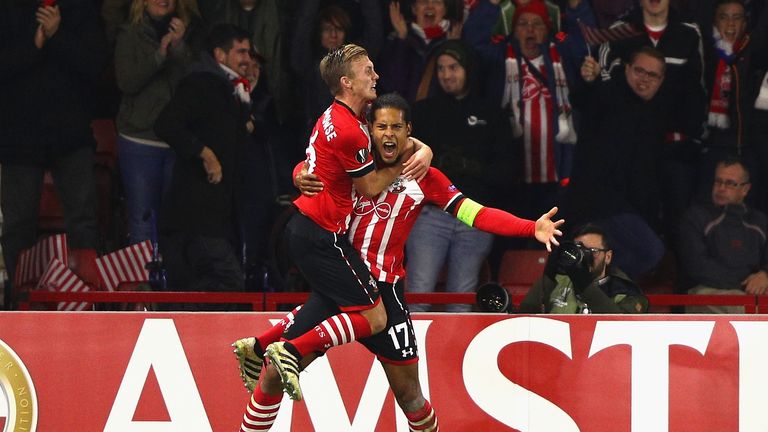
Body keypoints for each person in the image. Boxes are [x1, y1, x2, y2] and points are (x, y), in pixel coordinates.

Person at [233, 92, 563, 431]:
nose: (388, 134)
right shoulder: (356, 163)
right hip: (342, 284)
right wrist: (298, 171)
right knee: (274, 373)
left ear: (408, 131)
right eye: (381, 126)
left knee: (411, 396)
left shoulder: (425, 176)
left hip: (385, 292)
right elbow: (314, 162)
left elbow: (474, 214)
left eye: (396, 127)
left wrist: (530, 227)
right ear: (370, 129)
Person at [254, 44, 433, 402]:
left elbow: (314, 162)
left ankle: (259, 345)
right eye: (368, 71)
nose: (376, 75)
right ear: (347, 82)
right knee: (375, 316)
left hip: (307, 229)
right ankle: (288, 350)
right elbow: (368, 188)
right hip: (324, 237)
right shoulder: (350, 130)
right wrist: (409, 163)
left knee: (321, 308)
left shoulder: (335, 118)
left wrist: (422, 148)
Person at [0, 0, 107, 308]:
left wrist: (58, 34)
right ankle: (18, 302)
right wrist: (33, 46)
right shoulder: (9, 9)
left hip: (70, 133)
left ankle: (84, 299)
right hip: (19, 135)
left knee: (83, 221)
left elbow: (95, 64)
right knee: (18, 225)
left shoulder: (80, 9)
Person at [404, 40, 515, 312]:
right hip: (431, 214)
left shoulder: (492, 114)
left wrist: (470, 166)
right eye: (441, 68)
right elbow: (403, 167)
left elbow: (507, 172)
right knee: (417, 294)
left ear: (468, 68)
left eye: (453, 67)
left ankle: (451, 356)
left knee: (461, 298)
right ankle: (407, 354)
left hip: (474, 216)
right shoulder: (423, 111)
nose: (446, 74)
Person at [153, 24, 254, 309]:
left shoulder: (232, 90)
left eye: (250, 52)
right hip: (196, 216)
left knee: (201, 292)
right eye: (241, 51)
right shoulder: (201, 82)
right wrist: (205, 154)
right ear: (220, 55)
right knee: (230, 283)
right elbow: (166, 123)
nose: (248, 58)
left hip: (217, 216)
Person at [464, 0, 592, 220]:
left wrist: (575, 7)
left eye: (537, 24)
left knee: (554, 238)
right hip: (512, 175)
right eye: (523, 23)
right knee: (516, 237)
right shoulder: (500, 55)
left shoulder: (562, 53)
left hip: (559, 171)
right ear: (514, 30)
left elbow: (585, 40)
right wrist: (491, 5)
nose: (530, 30)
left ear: (548, 29)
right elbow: (473, 41)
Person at [597, 0, 707, 247]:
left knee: (678, 220)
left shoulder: (689, 32)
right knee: (632, 219)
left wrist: (692, 134)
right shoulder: (618, 29)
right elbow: (605, 85)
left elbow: (699, 88)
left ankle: (679, 281)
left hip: (675, 147)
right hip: (630, 150)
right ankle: (626, 281)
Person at [564, 46, 668, 279]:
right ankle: (590, 288)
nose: (644, 79)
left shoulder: (656, 114)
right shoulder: (610, 95)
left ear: (661, 80)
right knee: (651, 252)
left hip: (624, 208)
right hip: (598, 205)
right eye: (639, 71)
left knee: (645, 255)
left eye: (652, 75)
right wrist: (589, 81)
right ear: (627, 69)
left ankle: (592, 292)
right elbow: (584, 100)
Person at [114, 0, 199, 245]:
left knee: (175, 221)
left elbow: (196, 80)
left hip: (177, 140)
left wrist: (180, 45)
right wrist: (159, 55)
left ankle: (171, 281)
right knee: (143, 220)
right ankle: (142, 281)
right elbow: (126, 81)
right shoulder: (129, 34)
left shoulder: (189, 32)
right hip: (140, 139)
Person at [698, 0, 768, 206]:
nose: (730, 24)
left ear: (745, 24)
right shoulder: (705, 53)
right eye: (724, 17)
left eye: (737, 18)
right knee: (708, 210)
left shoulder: (754, 53)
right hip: (712, 147)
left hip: (749, 148)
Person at [679, 158, 767, 314]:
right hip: (707, 289)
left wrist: (765, 274)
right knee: (746, 308)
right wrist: (745, 285)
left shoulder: (759, 221)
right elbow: (698, 267)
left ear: (745, 189)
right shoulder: (696, 217)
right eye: (718, 181)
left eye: (730, 183)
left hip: (753, 292)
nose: (721, 188)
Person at [290, 0, 383, 132]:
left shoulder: (356, 62)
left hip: (355, 134)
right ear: (319, 33)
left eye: (339, 29)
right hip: (320, 137)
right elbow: (302, 31)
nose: (333, 35)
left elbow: (374, 34)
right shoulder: (308, 65)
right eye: (327, 29)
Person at [520, 223, 649, 314]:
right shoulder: (558, 282)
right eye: (579, 249)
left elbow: (620, 326)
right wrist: (549, 271)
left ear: (608, 257)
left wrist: (583, 281)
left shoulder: (625, 292)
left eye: (592, 251)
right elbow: (524, 316)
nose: (585, 255)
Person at [377, 0, 463, 102]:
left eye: (437, 2)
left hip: (443, 113)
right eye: (423, 2)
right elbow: (392, 85)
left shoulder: (457, 38)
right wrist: (401, 41)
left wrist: (452, 47)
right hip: (406, 114)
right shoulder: (395, 41)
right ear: (414, 9)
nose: (430, 7)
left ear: (445, 10)